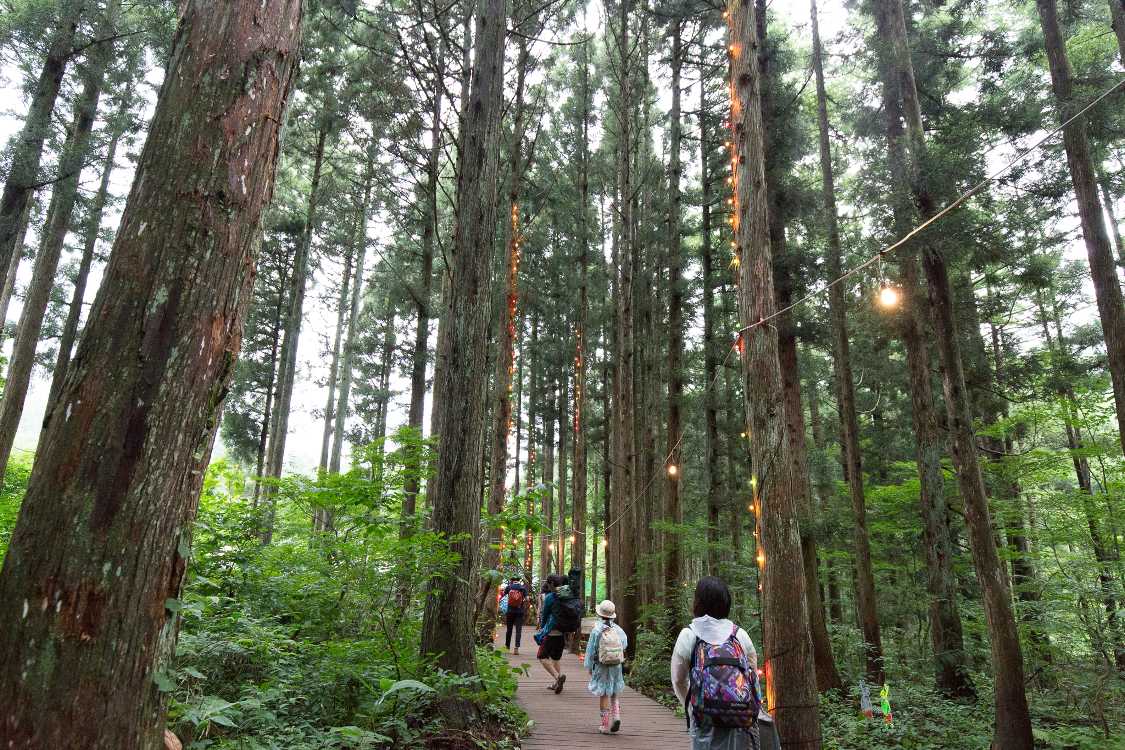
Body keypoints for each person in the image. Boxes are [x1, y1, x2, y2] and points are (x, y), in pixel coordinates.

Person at [670, 576, 761, 750]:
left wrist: (691, 706)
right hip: (740, 718)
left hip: (704, 719)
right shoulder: (739, 635)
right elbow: (752, 678)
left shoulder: (689, 635)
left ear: (698, 602)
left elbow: (678, 680)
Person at [583, 599, 627, 734]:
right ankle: (617, 717)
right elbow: (624, 645)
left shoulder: (597, 630)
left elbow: (591, 650)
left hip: (601, 665)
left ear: (600, 614)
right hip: (616, 666)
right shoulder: (617, 629)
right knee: (613, 692)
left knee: (603, 693)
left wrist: (589, 666)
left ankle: (605, 724)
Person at [534, 574, 569, 693]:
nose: (547, 586)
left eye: (548, 584)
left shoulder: (550, 597)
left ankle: (558, 677)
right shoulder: (567, 595)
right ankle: (557, 684)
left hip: (551, 633)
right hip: (562, 633)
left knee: (542, 656)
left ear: (552, 584)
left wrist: (542, 628)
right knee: (555, 658)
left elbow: (545, 615)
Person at [501, 575, 528, 655]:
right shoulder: (522, 588)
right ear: (519, 580)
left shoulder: (509, 587)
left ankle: (507, 647)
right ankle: (516, 648)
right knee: (518, 630)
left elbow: (503, 596)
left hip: (510, 611)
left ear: (511, 580)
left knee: (509, 629)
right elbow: (527, 599)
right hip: (519, 611)